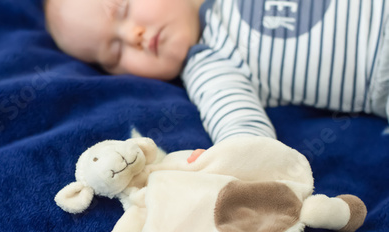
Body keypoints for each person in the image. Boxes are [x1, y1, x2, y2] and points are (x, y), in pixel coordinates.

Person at [44, 0, 389, 143]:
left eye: (123, 9)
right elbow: (241, 129)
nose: (132, 36)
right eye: (113, 53)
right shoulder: (209, 64)